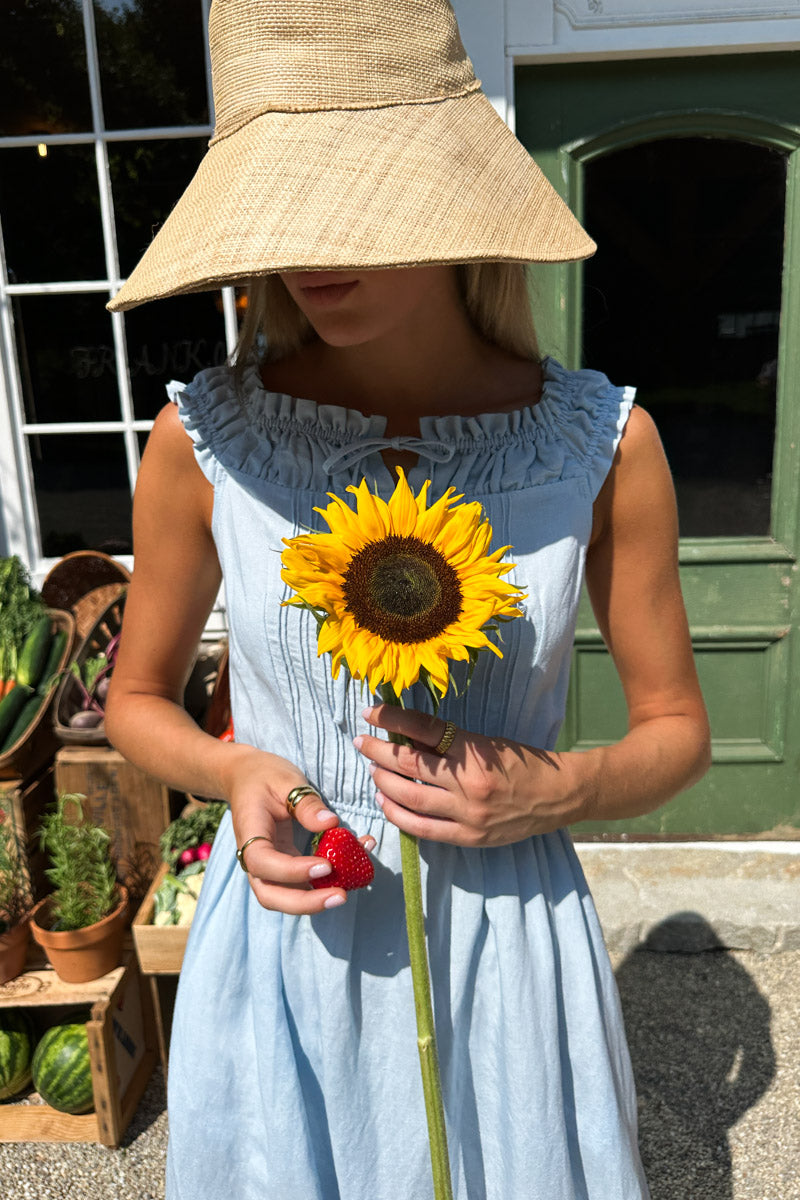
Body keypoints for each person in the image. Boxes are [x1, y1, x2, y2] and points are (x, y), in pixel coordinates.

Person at [105, 1, 710, 1197]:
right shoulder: (203, 437)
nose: (312, 247)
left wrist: (553, 787)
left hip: (505, 945)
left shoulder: (599, 446)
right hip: (287, 939)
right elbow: (135, 698)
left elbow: (676, 732)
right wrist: (233, 771)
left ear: (445, 199)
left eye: (357, 200)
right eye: (283, 205)